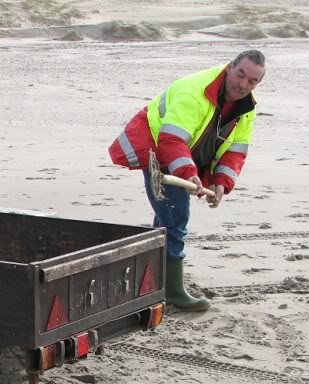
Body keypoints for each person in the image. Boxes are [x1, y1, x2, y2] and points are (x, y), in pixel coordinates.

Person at [108, 50, 266, 311]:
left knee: (165, 222)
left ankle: (151, 283)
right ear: (229, 68)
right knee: (175, 218)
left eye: (252, 81)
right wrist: (188, 174)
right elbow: (171, 139)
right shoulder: (193, 92)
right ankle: (172, 292)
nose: (243, 85)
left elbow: (236, 150)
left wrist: (221, 182)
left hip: (184, 154)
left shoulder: (247, 107)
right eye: (240, 75)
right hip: (156, 147)